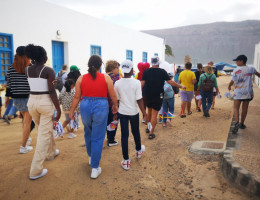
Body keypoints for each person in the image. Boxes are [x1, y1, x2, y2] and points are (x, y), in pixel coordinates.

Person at [69, 55, 118, 179]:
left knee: (88, 132)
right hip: (101, 106)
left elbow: (76, 97)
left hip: (85, 105)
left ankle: (91, 157)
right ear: (100, 65)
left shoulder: (81, 78)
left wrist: (71, 111)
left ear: (88, 64)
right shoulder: (106, 78)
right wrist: (115, 106)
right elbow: (112, 95)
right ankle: (95, 168)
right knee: (98, 137)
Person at [25, 44, 61, 180]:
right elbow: (52, 91)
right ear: (43, 56)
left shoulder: (27, 69)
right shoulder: (48, 70)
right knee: (43, 134)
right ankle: (35, 170)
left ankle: (51, 153)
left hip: (32, 102)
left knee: (44, 129)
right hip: (45, 102)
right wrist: (58, 108)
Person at [141, 56, 185, 139]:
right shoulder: (162, 71)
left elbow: (142, 84)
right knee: (154, 114)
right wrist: (180, 86)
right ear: (158, 63)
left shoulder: (146, 72)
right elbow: (170, 82)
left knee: (149, 111)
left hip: (148, 94)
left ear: (151, 63)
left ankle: (148, 127)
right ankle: (151, 133)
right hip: (158, 95)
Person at [114, 60, 147, 170]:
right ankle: (138, 151)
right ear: (132, 70)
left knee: (124, 135)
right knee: (136, 131)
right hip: (134, 112)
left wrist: (115, 113)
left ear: (122, 71)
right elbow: (139, 100)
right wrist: (145, 114)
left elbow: (117, 100)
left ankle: (126, 161)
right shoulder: (136, 82)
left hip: (122, 112)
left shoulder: (117, 83)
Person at [6, 46, 33, 154]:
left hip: (16, 98)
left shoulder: (11, 67)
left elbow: (9, 85)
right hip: (28, 97)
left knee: (25, 121)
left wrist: (7, 98)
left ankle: (27, 139)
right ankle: (23, 146)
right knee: (27, 122)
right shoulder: (29, 67)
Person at [228, 55, 260, 133]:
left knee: (236, 107)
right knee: (245, 108)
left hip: (238, 92)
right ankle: (242, 124)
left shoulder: (236, 70)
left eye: (237, 61)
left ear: (242, 61)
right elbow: (258, 75)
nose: (236, 62)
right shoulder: (251, 68)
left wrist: (229, 86)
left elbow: (233, 81)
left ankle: (236, 123)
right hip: (248, 92)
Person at [105, 60, 120, 146]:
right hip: (113, 104)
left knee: (105, 121)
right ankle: (111, 140)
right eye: (117, 68)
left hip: (103, 104)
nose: (118, 70)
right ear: (113, 68)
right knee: (114, 121)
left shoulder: (103, 77)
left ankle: (106, 138)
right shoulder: (116, 78)